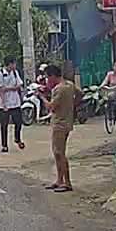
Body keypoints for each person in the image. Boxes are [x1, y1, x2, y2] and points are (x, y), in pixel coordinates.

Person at [44, 64, 79, 192]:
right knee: (57, 152)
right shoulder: (69, 85)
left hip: (59, 123)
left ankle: (67, 182)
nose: (47, 80)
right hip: (67, 121)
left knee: (59, 153)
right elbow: (80, 94)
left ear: (53, 76)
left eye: (48, 77)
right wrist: (71, 106)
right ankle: (60, 180)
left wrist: (41, 97)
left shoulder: (59, 89)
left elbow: (51, 107)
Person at [0, 56, 25, 153]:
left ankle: (17, 138)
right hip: (4, 104)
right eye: (14, 64)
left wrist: (10, 88)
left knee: (18, 122)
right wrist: (4, 104)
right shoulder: (0, 75)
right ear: (9, 64)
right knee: (4, 125)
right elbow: (0, 89)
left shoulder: (15, 73)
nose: (15, 65)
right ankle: (4, 145)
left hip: (15, 102)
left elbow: (19, 84)